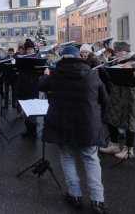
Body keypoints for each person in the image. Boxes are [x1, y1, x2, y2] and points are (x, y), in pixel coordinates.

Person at [38, 45, 108, 214]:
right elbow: (104, 98)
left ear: (61, 58)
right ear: (79, 57)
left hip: (64, 122)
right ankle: (98, 201)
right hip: (87, 123)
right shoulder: (93, 74)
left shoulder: (55, 74)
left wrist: (45, 75)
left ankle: (75, 196)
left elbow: (41, 86)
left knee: (67, 156)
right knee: (91, 159)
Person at [99, 42, 135, 159]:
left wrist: (129, 70)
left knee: (129, 121)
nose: (116, 54)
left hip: (130, 96)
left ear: (125, 51)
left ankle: (129, 149)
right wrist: (104, 70)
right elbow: (110, 79)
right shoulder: (118, 61)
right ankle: (114, 144)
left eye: (117, 51)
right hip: (117, 95)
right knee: (110, 118)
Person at [16, 39, 40, 138]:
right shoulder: (21, 58)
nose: (29, 51)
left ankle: (33, 131)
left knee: (33, 109)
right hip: (23, 86)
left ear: (34, 49)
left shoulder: (38, 58)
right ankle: (28, 129)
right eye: (28, 49)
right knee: (26, 108)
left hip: (33, 86)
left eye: (31, 49)